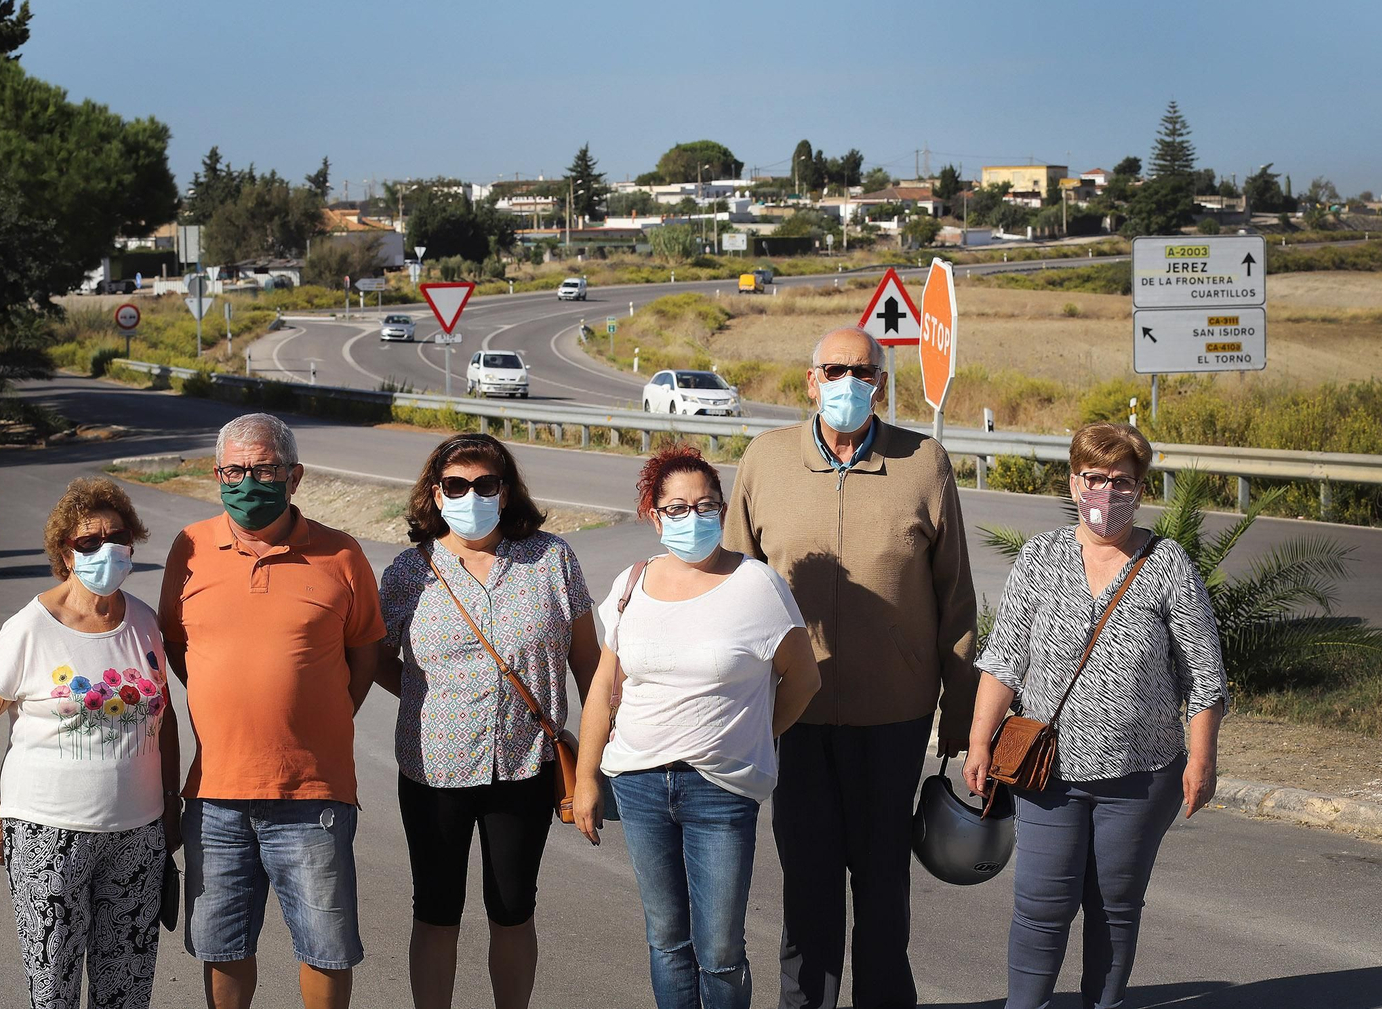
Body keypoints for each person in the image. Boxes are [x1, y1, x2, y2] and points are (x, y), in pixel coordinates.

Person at [722, 326, 978, 1009]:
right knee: (807, 890)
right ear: (811, 381)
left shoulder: (924, 462)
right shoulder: (765, 459)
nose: (848, 383)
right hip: (792, 717)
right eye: (834, 370)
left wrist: (959, 708)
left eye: (862, 371)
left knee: (883, 890)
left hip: (895, 719)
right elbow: (730, 589)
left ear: (881, 382)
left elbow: (955, 594)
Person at [963, 421, 1228, 1009]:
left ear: (1140, 488)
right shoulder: (1041, 558)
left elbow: (1205, 677)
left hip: (1142, 774)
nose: (1107, 492)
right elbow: (1004, 659)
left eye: (1122, 481)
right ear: (1074, 481)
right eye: (1094, 477)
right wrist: (979, 741)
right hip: (1047, 772)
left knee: (1114, 906)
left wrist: (1202, 760)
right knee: (1040, 906)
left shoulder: (1167, 564)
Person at [574, 444, 821, 1009]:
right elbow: (601, 693)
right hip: (637, 783)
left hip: (721, 790)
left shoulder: (756, 584)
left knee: (720, 951)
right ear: (655, 516)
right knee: (666, 941)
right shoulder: (632, 583)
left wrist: (754, 732)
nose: (694, 517)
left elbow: (802, 681)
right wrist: (587, 779)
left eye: (707, 505)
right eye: (679, 507)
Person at [159, 413, 385, 1009]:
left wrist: (317, 711)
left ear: (294, 475)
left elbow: (364, 658)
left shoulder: (341, 554)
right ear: (216, 474)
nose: (247, 482)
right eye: (234, 470)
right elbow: (179, 652)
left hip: (313, 794)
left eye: (263, 469)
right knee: (222, 947)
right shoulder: (190, 547)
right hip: (214, 797)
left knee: (326, 949)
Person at [377, 432, 601, 1009]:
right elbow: (375, 655)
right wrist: (426, 696)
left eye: (484, 484)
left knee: (512, 910)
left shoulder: (551, 559)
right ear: (436, 493)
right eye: (456, 485)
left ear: (505, 493)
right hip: (434, 771)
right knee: (435, 911)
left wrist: (600, 761)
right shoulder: (408, 571)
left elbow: (588, 663)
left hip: (524, 768)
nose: (470, 495)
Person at [0, 478, 179, 1009]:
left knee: (126, 988)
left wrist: (169, 807)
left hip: (137, 835)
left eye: (116, 537)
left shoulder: (145, 623)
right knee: (54, 988)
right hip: (48, 836)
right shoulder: (31, 627)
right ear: (65, 551)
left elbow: (164, 718)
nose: (105, 550)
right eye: (88, 542)